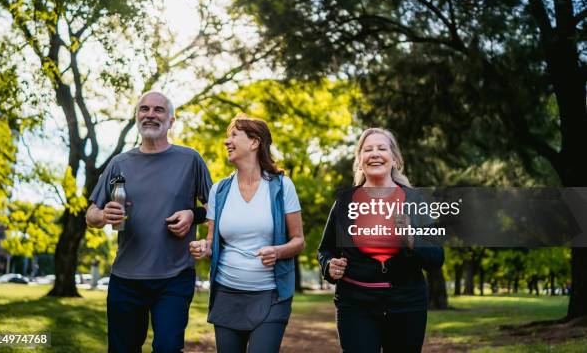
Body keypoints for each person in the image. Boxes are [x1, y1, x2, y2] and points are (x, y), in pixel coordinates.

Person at [86, 91, 212, 353]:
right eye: (144, 109)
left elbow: (216, 209)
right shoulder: (119, 163)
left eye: (158, 110)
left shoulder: (190, 159)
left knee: (167, 348)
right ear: (136, 118)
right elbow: (91, 215)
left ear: (171, 120)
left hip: (175, 276)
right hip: (126, 278)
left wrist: (193, 215)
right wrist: (103, 215)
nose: (150, 115)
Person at [318, 128, 444, 353]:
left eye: (381, 148)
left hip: (406, 305)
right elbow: (325, 251)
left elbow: (437, 257)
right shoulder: (345, 202)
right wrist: (330, 266)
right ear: (360, 161)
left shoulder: (414, 200)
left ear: (394, 159)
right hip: (355, 305)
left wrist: (411, 239)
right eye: (368, 149)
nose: (374, 153)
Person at [189, 115, 305, 353]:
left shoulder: (282, 187)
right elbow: (212, 242)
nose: (226, 141)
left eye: (234, 135)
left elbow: (298, 241)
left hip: (271, 296)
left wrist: (278, 251)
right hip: (226, 294)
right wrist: (204, 246)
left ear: (254, 142)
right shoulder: (219, 190)